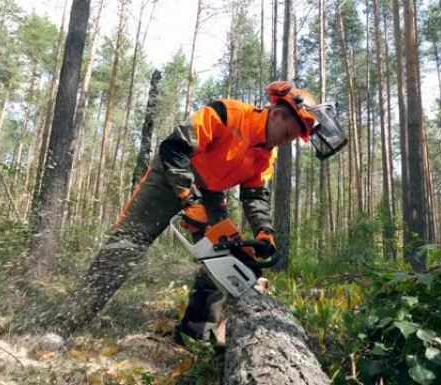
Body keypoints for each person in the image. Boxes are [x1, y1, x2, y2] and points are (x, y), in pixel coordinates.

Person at [53, 80, 348, 343]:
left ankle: (195, 332)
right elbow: (173, 148)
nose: (287, 141)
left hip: (209, 193)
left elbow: (255, 195)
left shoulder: (264, 157)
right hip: (170, 176)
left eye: (293, 138)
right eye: (288, 133)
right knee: (125, 245)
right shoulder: (228, 113)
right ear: (278, 113)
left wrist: (264, 231)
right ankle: (64, 324)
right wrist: (188, 197)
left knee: (225, 253)